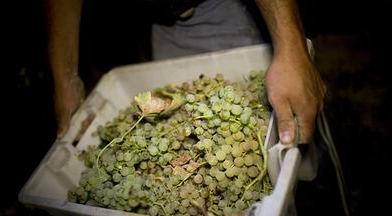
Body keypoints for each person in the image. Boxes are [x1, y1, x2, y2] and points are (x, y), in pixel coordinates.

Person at [46, 0, 326, 145]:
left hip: (223, 6)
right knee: (184, 125)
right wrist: (64, 76)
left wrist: (290, 46)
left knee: (285, 123)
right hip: (159, 18)